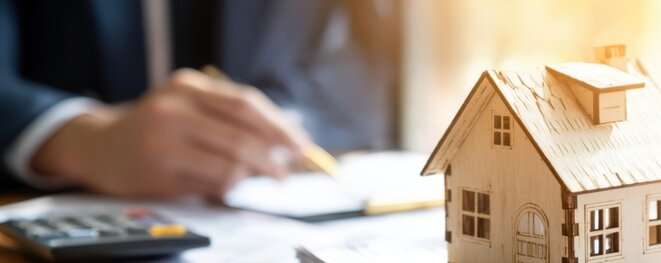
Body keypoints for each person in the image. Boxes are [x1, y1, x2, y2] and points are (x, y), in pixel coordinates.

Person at [0, 0, 398, 197]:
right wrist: (79, 140)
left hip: (254, 214)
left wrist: (271, 127)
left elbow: (361, 78)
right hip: (43, 207)